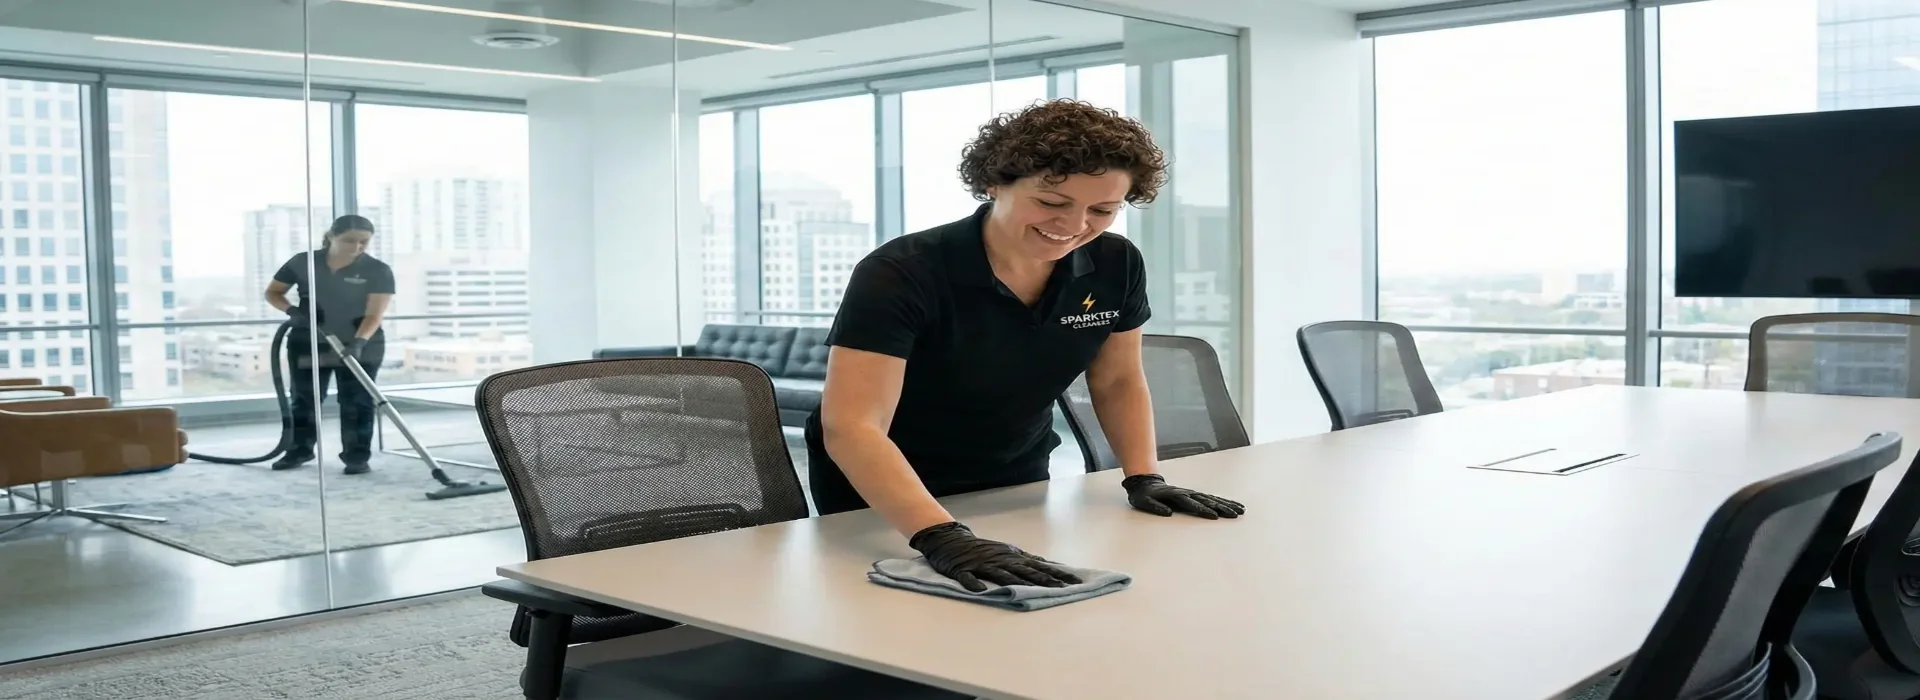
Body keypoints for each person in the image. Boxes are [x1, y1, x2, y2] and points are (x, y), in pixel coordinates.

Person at [805, 100, 1245, 592]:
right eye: (1052, 203)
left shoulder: (1115, 263)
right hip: (883, 495)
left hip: (1018, 479)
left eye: (1102, 210)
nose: (1074, 225)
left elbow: (1118, 379)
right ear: (995, 183)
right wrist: (940, 535)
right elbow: (852, 426)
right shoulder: (902, 273)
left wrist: (1144, 477)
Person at [263, 214, 395, 475]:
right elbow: (273, 292)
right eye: (349, 241)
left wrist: (358, 342)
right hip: (308, 340)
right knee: (304, 398)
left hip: (361, 342)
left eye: (363, 242)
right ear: (332, 236)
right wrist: (292, 311)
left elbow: (374, 315)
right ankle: (299, 450)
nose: (356, 247)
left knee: (357, 401)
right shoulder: (304, 262)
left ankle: (356, 457)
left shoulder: (377, 270)